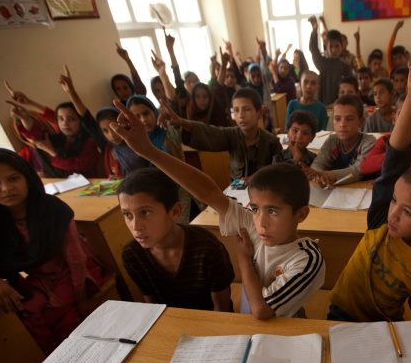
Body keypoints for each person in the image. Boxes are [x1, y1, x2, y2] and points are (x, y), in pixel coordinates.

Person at [111, 100, 325, 319]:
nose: (261, 221)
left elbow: (261, 311)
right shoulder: (254, 225)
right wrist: (149, 151)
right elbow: (209, 193)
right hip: (247, 322)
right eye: (255, 209)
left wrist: (243, 259)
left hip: (286, 332)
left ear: (301, 214)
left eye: (272, 211)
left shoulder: (306, 259)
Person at [327, 51, 411, 323]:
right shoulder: (380, 223)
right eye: (394, 201)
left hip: (381, 329)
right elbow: (396, 153)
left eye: (408, 212)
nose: (394, 214)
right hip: (338, 314)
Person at [0, 149, 110, 353]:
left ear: (26, 177)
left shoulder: (52, 208)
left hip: (72, 272)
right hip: (34, 280)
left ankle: (81, 353)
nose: (6, 188)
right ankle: (53, 360)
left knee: (62, 314)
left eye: (13, 178)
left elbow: (76, 258)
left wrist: (83, 297)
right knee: (25, 315)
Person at [118, 168, 234, 311]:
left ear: (175, 211)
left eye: (145, 212)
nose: (135, 226)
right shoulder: (132, 255)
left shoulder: (207, 248)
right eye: (127, 215)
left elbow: (222, 308)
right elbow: (154, 309)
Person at [168, 87, 282, 182]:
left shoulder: (272, 142)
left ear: (259, 113)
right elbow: (210, 133)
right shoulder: (231, 135)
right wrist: (183, 122)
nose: (241, 115)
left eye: (246, 109)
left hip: (265, 193)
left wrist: (257, 177)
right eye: (236, 110)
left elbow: (279, 170)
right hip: (238, 195)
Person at [359, 93, 411, 177]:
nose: (407, 120)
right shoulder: (384, 140)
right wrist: (403, 156)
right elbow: (364, 167)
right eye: (402, 114)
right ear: (394, 118)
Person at [308, 95, 376, 186]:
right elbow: (317, 165)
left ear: (361, 122)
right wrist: (320, 177)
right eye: (337, 119)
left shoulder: (368, 142)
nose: (342, 124)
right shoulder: (332, 141)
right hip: (335, 192)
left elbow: (358, 170)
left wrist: (329, 175)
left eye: (349, 119)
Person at [309, 16, 354, 105]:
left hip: (341, 105)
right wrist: (314, 30)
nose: (334, 50)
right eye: (331, 46)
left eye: (337, 46)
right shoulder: (322, 63)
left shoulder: (346, 66)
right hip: (324, 105)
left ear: (342, 47)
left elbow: (350, 87)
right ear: (326, 47)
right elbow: (313, 48)